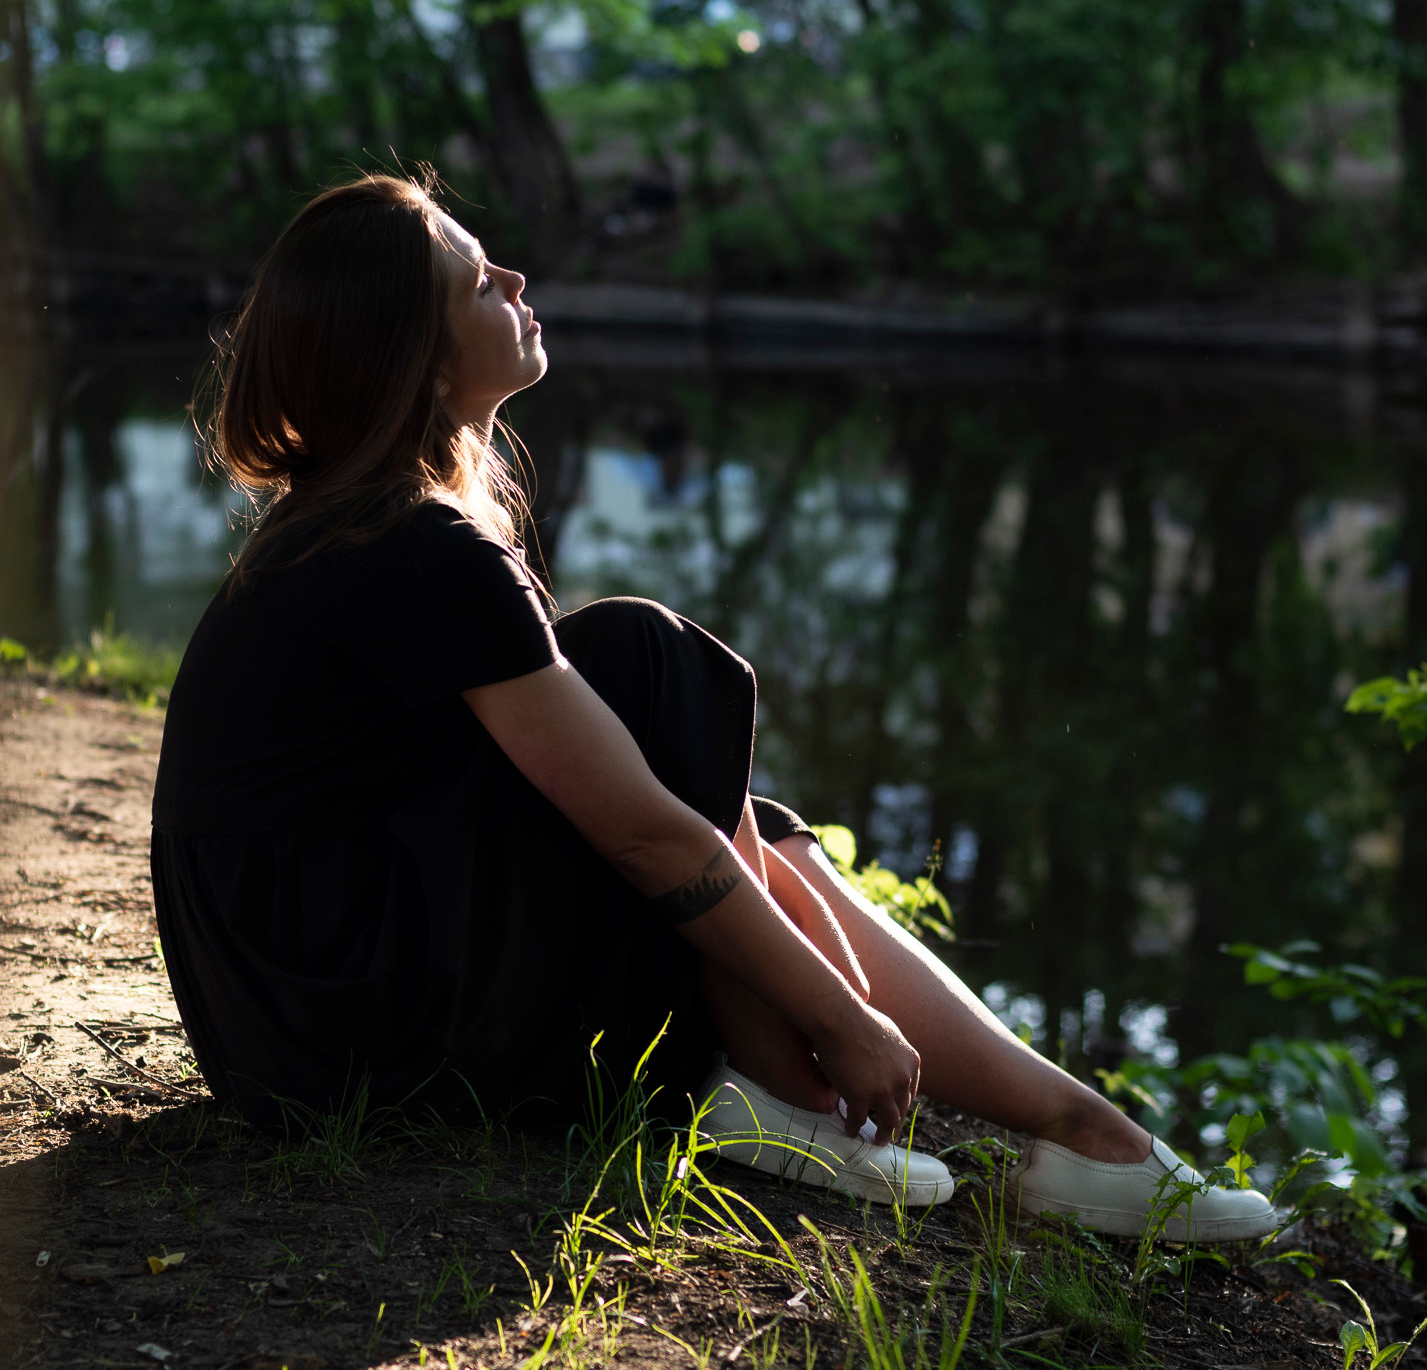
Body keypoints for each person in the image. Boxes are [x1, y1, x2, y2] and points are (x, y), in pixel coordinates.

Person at [149, 172, 1273, 1240]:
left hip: (298, 1012)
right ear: (422, 362)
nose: (519, 282)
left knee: (747, 823)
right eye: (482, 283)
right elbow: (643, 834)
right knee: (643, 661)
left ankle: (1078, 1131)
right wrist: (839, 1016)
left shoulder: (361, 520)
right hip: (339, 1025)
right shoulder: (414, 544)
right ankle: (794, 1096)